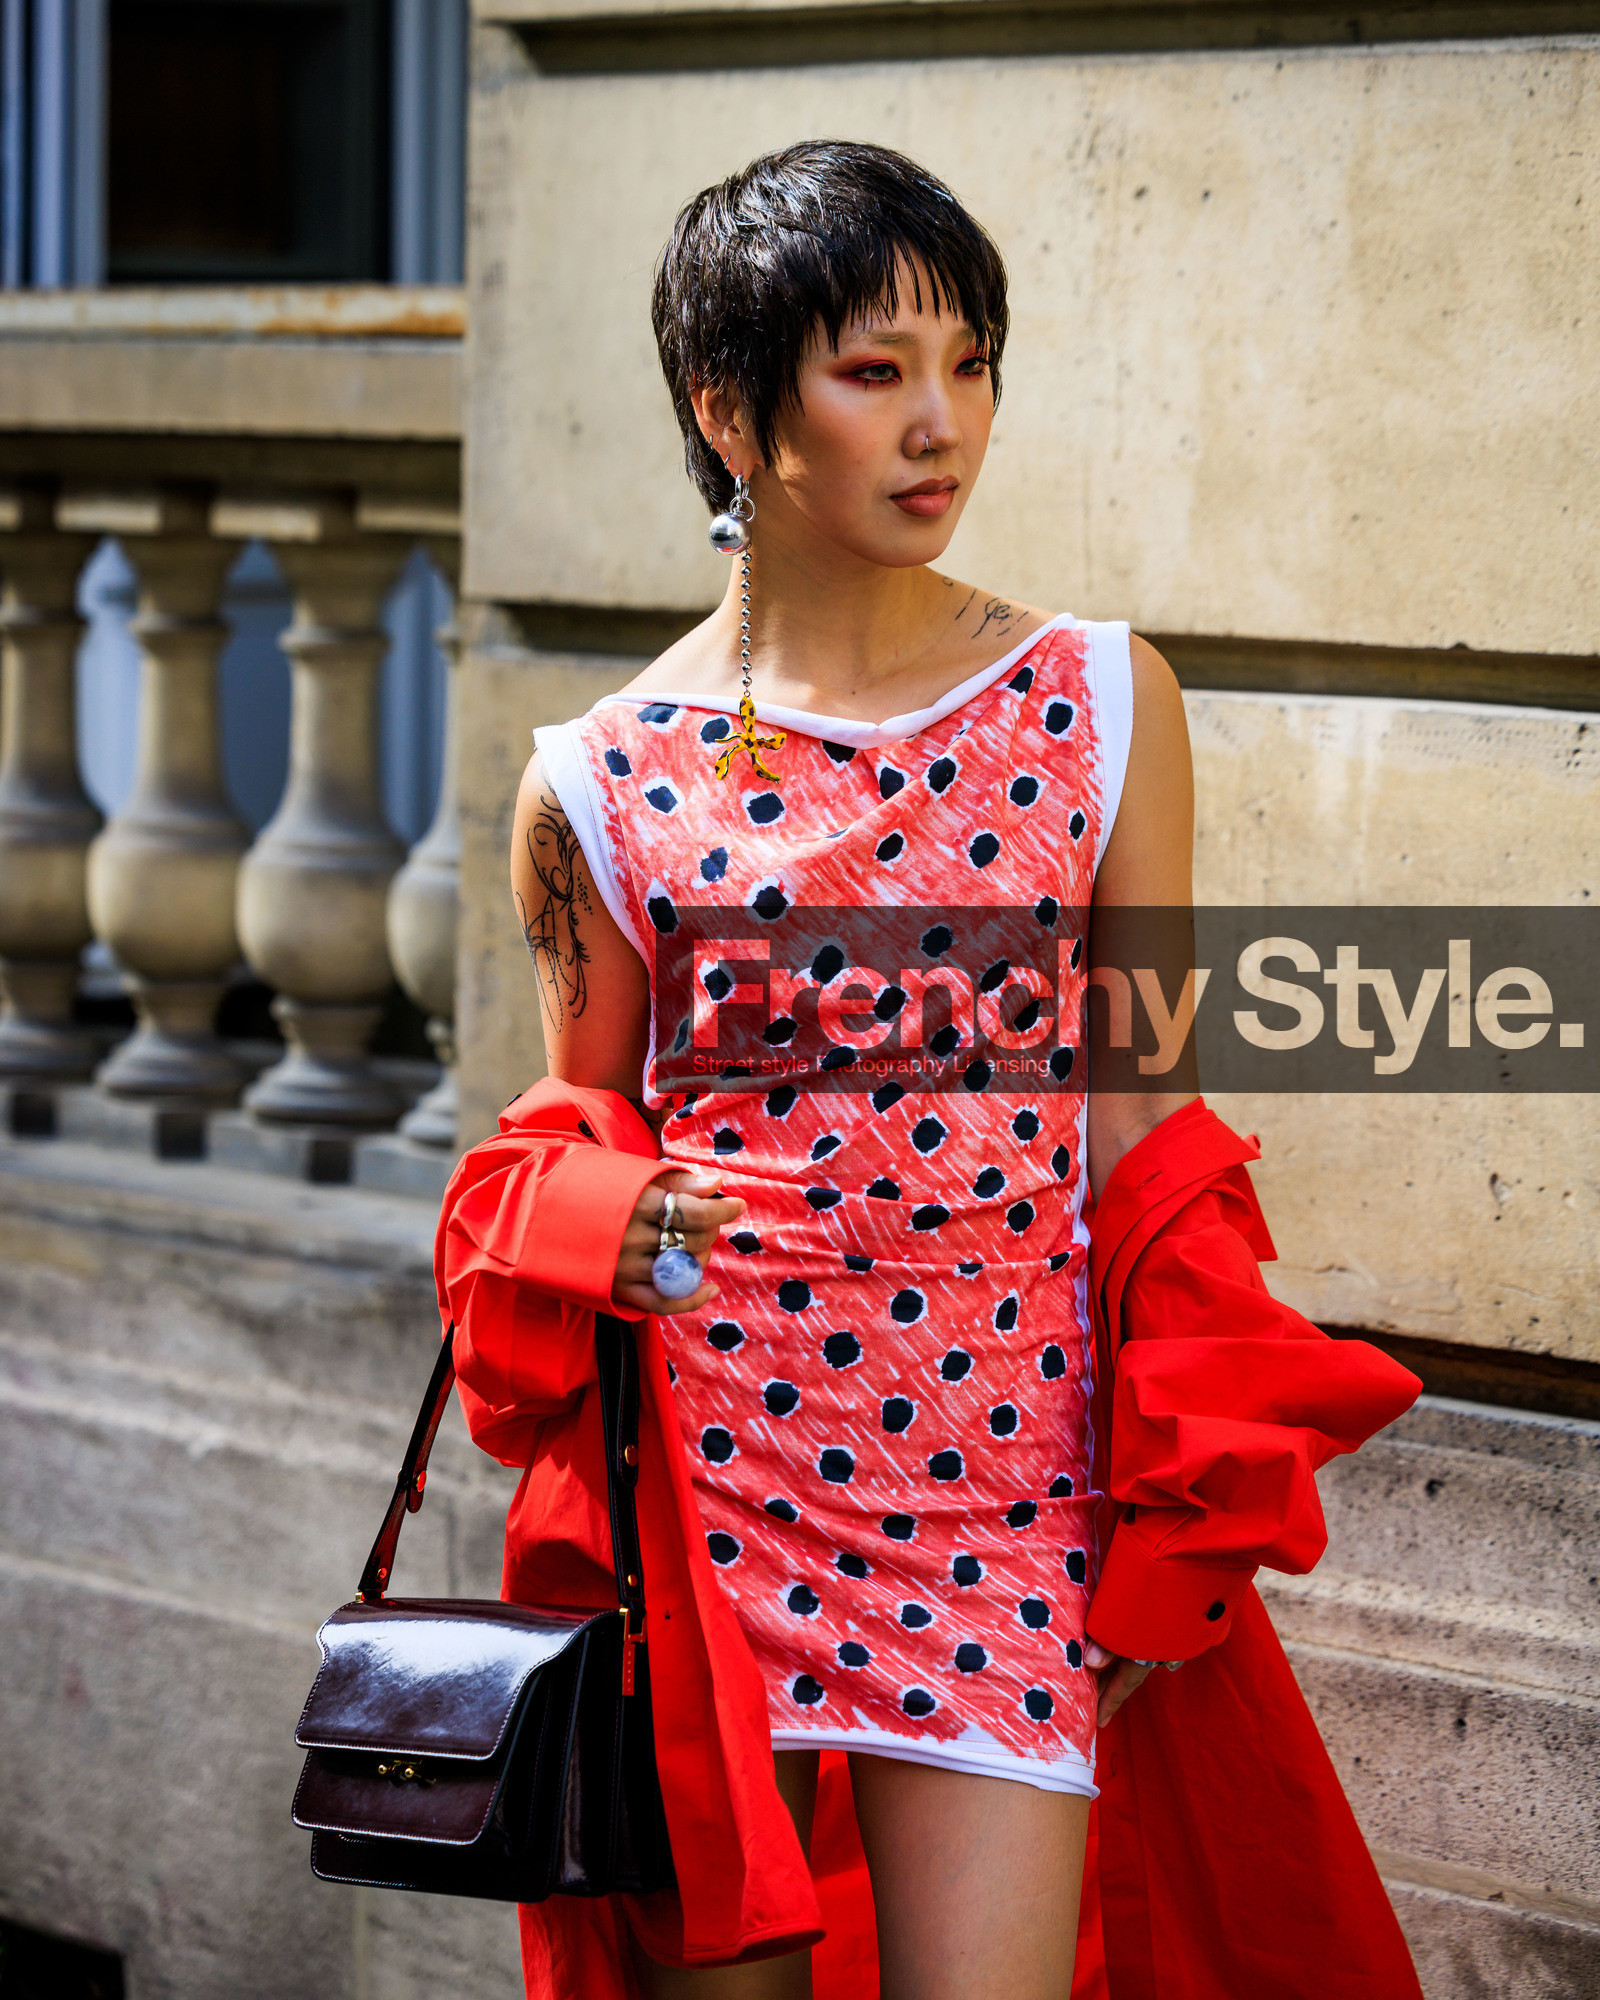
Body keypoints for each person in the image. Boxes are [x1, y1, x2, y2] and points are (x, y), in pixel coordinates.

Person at [465, 141, 1421, 2000]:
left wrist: (1176, 1500)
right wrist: (623, 1210)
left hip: (1006, 1498)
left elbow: (1148, 1123)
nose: (940, 423)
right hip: (711, 1492)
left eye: (967, 363)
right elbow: (569, 1140)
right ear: (728, 409)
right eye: (877, 370)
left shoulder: (1102, 702)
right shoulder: (593, 780)